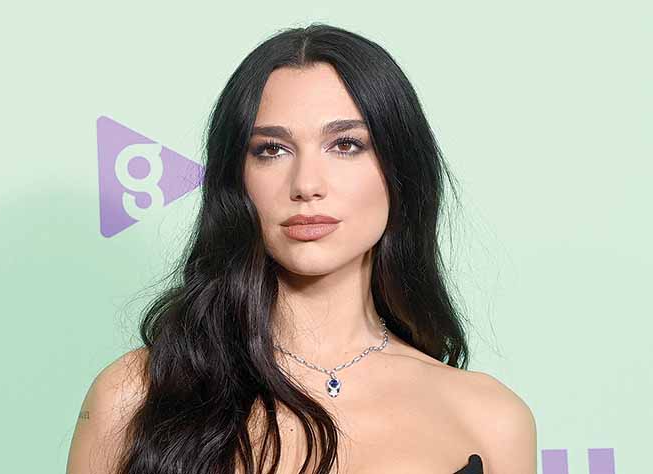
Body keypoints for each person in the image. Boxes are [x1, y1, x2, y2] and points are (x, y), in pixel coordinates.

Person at [66, 22, 536, 474]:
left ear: (400, 170)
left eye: (346, 145)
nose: (307, 184)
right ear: (236, 179)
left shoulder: (490, 418)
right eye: (271, 150)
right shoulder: (134, 395)